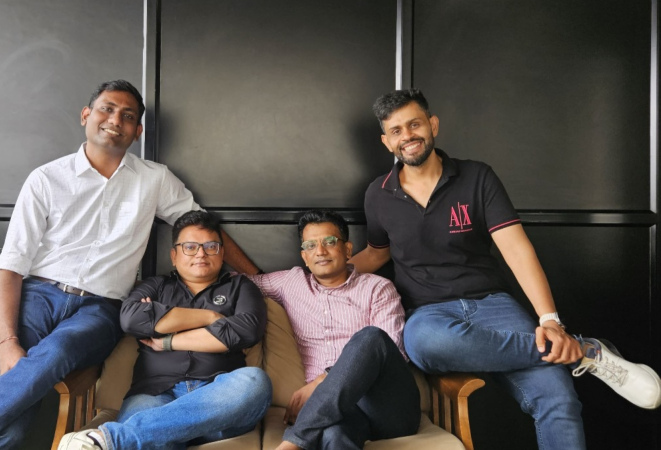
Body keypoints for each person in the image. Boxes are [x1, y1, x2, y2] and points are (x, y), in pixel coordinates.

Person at [0, 80, 259, 450]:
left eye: (127, 116)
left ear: (137, 131)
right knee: (12, 426)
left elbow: (205, 229)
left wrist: (258, 276)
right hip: (37, 297)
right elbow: (11, 266)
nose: (115, 120)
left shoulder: (155, 179)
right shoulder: (46, 179)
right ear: (86, 115)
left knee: (57, 351)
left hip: (99, 310)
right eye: (107, 109)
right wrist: (7, 343)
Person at [349, 89, 661, 450]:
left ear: (432, 125)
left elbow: (516, 250)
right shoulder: (378, 194)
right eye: (397, 130)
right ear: (387, 142)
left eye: (414, 124)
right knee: (424, 344)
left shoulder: (476, 176)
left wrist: (550, 321)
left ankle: (568, 347)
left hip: (494, 305)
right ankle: (582, 351)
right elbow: (377, 254)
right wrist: (317, 272)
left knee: (559, 398)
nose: (408, 136)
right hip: (430, 315)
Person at [59, 210, 271, 450]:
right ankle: (155, 431)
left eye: (210, 246)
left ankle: (110, 439)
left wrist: (167, 340)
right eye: (190, 247)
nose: (201, 253)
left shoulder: (240, 286)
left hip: (217, 400)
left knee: (255, 382)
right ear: (174, 255)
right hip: (154, 394)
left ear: (221, 253)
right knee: (152, 431)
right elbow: (131, 319)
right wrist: (211, 317)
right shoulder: (155, 285)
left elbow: (247, 330)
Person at [242, 210, 420, 450]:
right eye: (310, 245)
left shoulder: (377, 288)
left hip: (387, 406)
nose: (320, 251)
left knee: (370, 337)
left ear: (347, 249)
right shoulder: (291, 283)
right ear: (304, 257)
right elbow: (237, 283)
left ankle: (291, 443)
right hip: (334, 414)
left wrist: (323, 380)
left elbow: (390, 349)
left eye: (329, 242)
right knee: (334, 435)